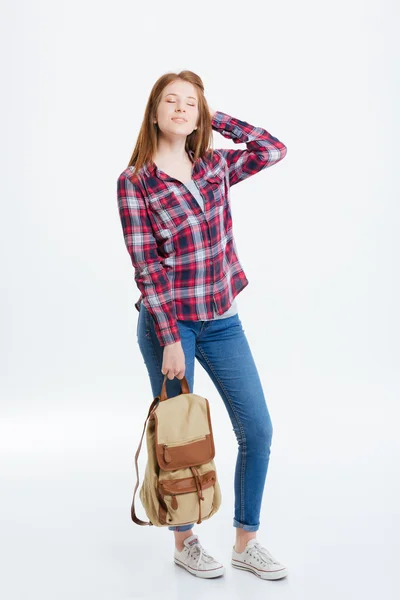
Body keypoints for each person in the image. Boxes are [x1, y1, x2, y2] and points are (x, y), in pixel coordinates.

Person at [116, 70, 288, 580]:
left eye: (190, 103)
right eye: (170, 101)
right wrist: (169, 336)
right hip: (171, 325)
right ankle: (185, 542)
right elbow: (146, 265)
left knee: (257, 429)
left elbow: (272, 149)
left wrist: (218, 120)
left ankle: (245, 540)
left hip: (223, 319)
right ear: (154, 113)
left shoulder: (213, 165)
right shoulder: (135, 182)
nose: (180, 108)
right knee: (179, 440)